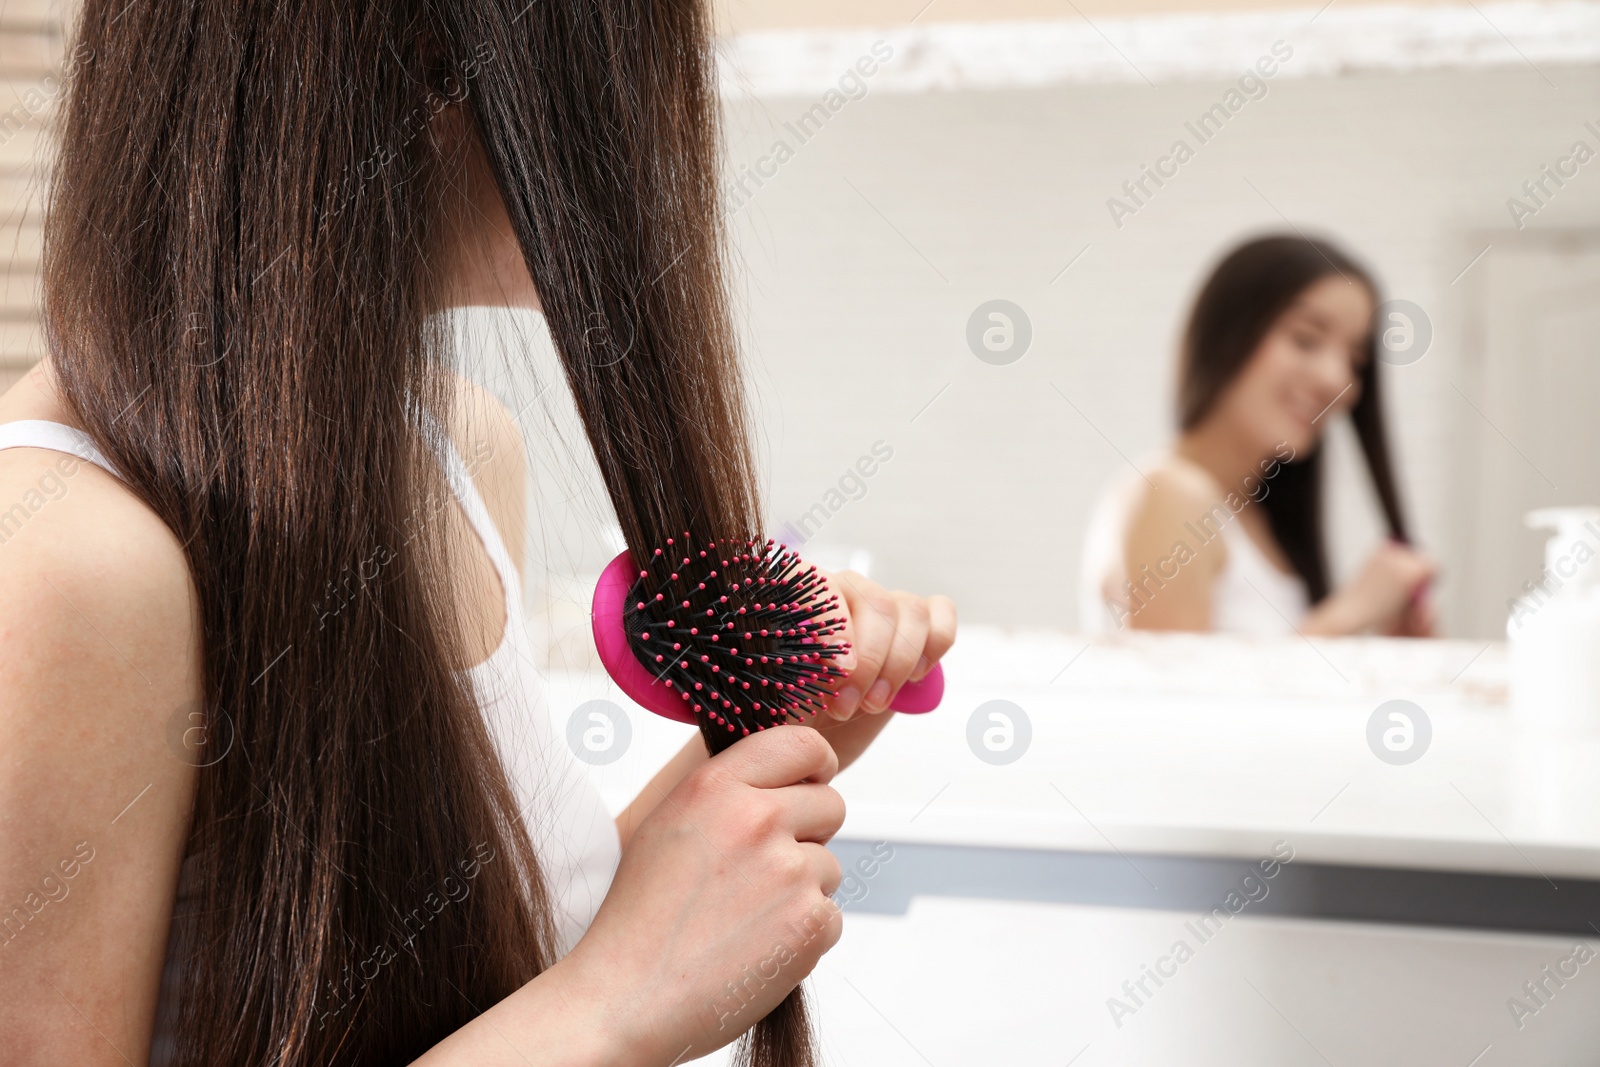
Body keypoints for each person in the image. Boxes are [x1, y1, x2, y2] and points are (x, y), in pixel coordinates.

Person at [0, 5, 956, 1066]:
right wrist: (613, 1001)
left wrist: (734, 793)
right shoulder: (59, 562)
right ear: (428, 84)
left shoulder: (456, 449)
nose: (645, 145)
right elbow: (579, 1011)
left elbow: (482, 983)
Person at [1080, 234, 1435, 636]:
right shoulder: (1172, 495)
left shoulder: (1254, 514)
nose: (1337, 380)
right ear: (1228, 333)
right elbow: (1173, 695)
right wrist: (1347, 616)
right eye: (1306, 339)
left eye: (1354, 361)